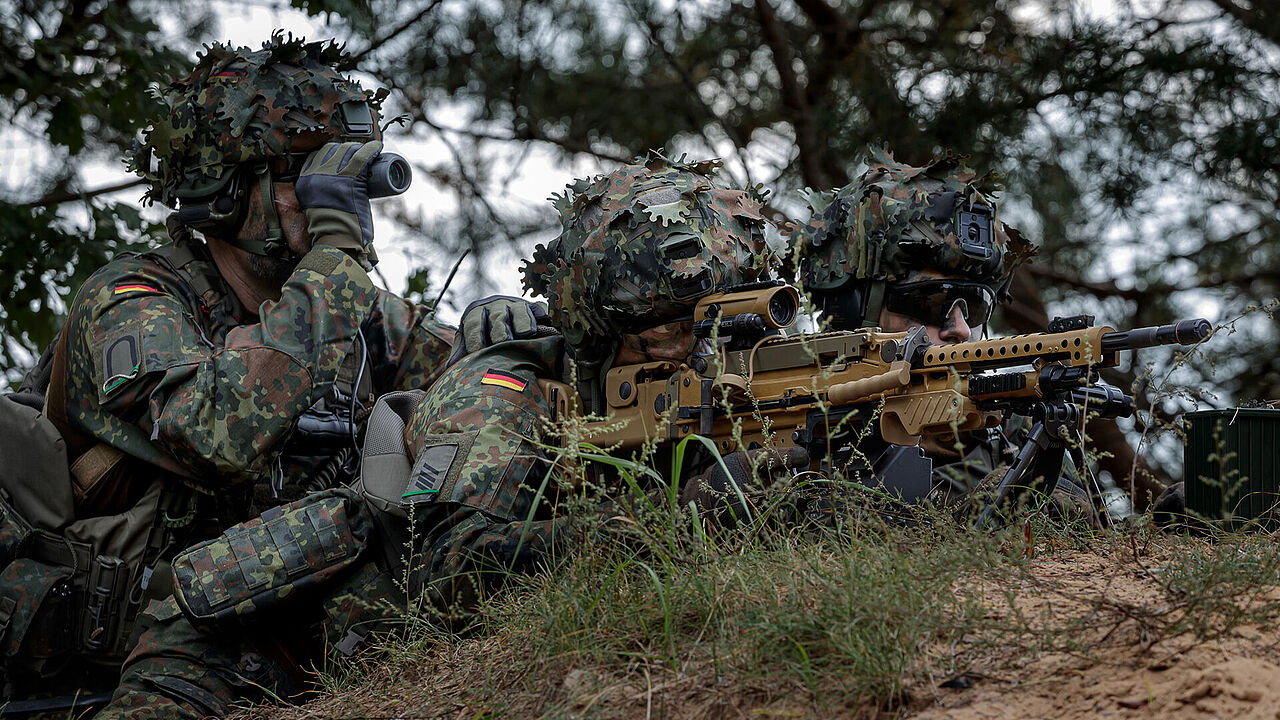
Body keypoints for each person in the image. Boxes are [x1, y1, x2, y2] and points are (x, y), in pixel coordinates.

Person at [92, 152, 803, 719]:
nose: (697, 352)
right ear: (606, 327)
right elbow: (451, 569)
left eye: (724, 323)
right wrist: (681, 520)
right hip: (236, 643)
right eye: (674, 328)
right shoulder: (503, 392)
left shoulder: (678, 383)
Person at [0, 34, 469, 709]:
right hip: (115, 666)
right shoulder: (134, 301)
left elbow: (474, 378)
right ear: (226, 188)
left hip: (287, 641)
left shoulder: (350, 312)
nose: (332, 200)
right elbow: (215, 433)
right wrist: (334, 267)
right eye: (301, 174)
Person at [790, 146, 1098, 522]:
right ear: (856, 313)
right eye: (931, 303)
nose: (961, 330)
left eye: (977, 305)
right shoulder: (796, 428)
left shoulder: (1017, 436)